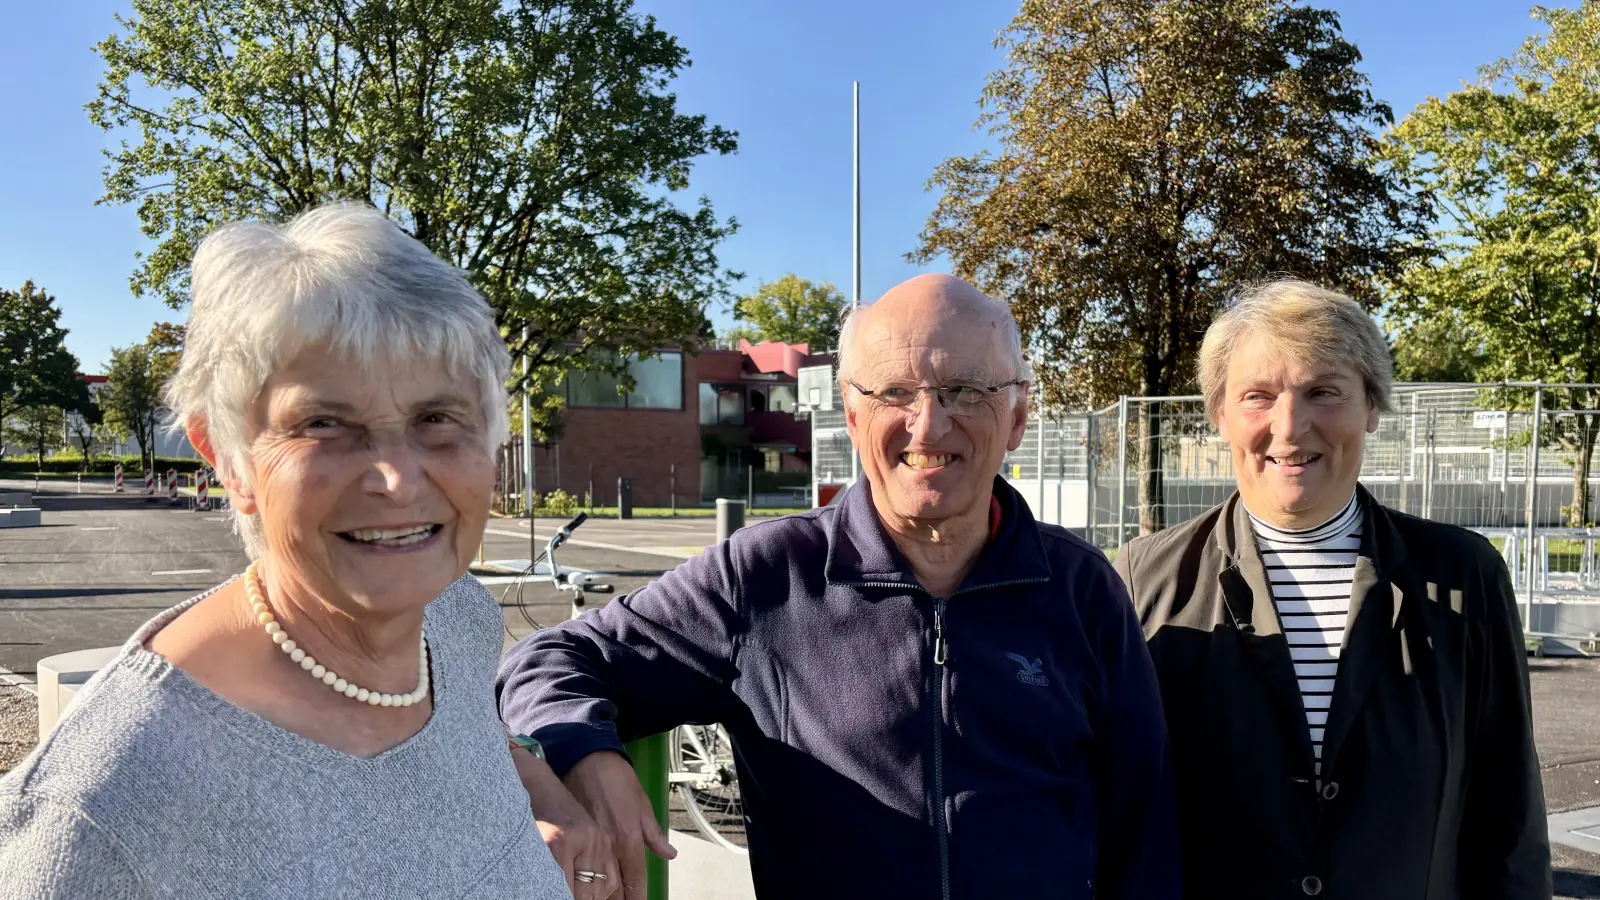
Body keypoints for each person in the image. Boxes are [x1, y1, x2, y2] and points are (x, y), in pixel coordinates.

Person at [498, 274, 1181, 900]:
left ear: (1018, 418)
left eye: (965, 391)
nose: (928, 424)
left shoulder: (1081, 588)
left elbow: (1143, 836)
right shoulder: (766, 577)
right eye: (894, 392)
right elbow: (546, 660)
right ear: (853, 417)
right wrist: (586, 753)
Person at [0, 203, 610, 899]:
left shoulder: (454, 619)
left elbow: (458, 754)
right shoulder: (99, 818)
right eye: (324, 423)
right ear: (226, 457)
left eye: (437, 418)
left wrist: (548, 794)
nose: (397, 480)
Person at [1112, 278, 1551, 899]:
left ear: (1372, 405)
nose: (1290, 427)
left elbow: (1507, 813)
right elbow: (1118, 813)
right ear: (1219, 415)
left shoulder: (1463, 576)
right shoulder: (1143, 580)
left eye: (1323, 392)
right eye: (1258, 397)